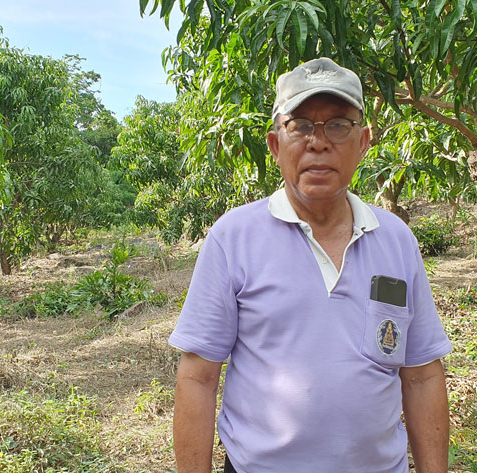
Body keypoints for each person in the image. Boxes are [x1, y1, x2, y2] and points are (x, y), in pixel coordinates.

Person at [169, 57, 452, 473]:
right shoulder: (234, 237)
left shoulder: (395, 239)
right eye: (300, 125)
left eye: (338, 124)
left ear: (364, 142)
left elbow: (423, 375)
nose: (318, 142)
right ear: (274, 145)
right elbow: (197, 378)